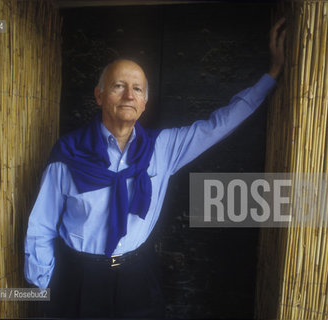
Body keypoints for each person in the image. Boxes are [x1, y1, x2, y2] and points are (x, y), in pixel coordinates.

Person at [24, 18, 286, 318]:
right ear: (99, 96)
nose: (128, 95)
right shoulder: (69, 152)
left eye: (137, 89)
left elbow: (219, 125)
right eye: (118, 86)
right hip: (78, 277)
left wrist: (272, 75)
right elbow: (41, 225)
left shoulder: (163, 149)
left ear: (145, 102)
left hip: (137, 273)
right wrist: (44, 287)